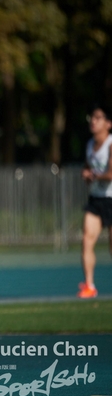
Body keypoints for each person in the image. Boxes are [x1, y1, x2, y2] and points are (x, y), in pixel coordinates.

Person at [78, 103, 112, 299]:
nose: (93, 121)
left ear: (108, 124)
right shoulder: (90, 144)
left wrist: (94, 176)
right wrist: (85, 174)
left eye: (98, 118)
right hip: (96, 198)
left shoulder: (110, 144)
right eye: (92, 117)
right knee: (86, 239)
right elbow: (87, 167)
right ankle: (89, 286)